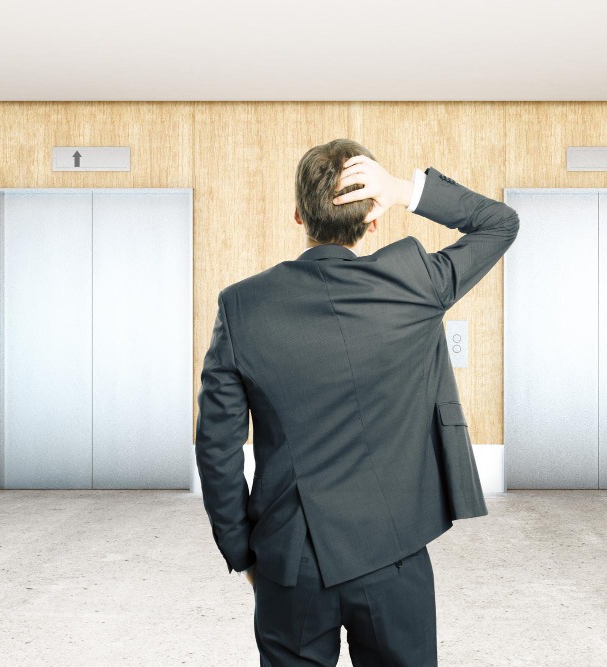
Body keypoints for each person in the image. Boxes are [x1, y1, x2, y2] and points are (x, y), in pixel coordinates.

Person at [195, 138, 520, 665]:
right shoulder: (415, 282)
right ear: (373, 219)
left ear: (298, 215)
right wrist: (403, 190)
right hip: (394, 552)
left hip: (290, 558)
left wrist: (242, 551)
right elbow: (500, 223)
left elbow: (216, 448)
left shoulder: (241, 306)